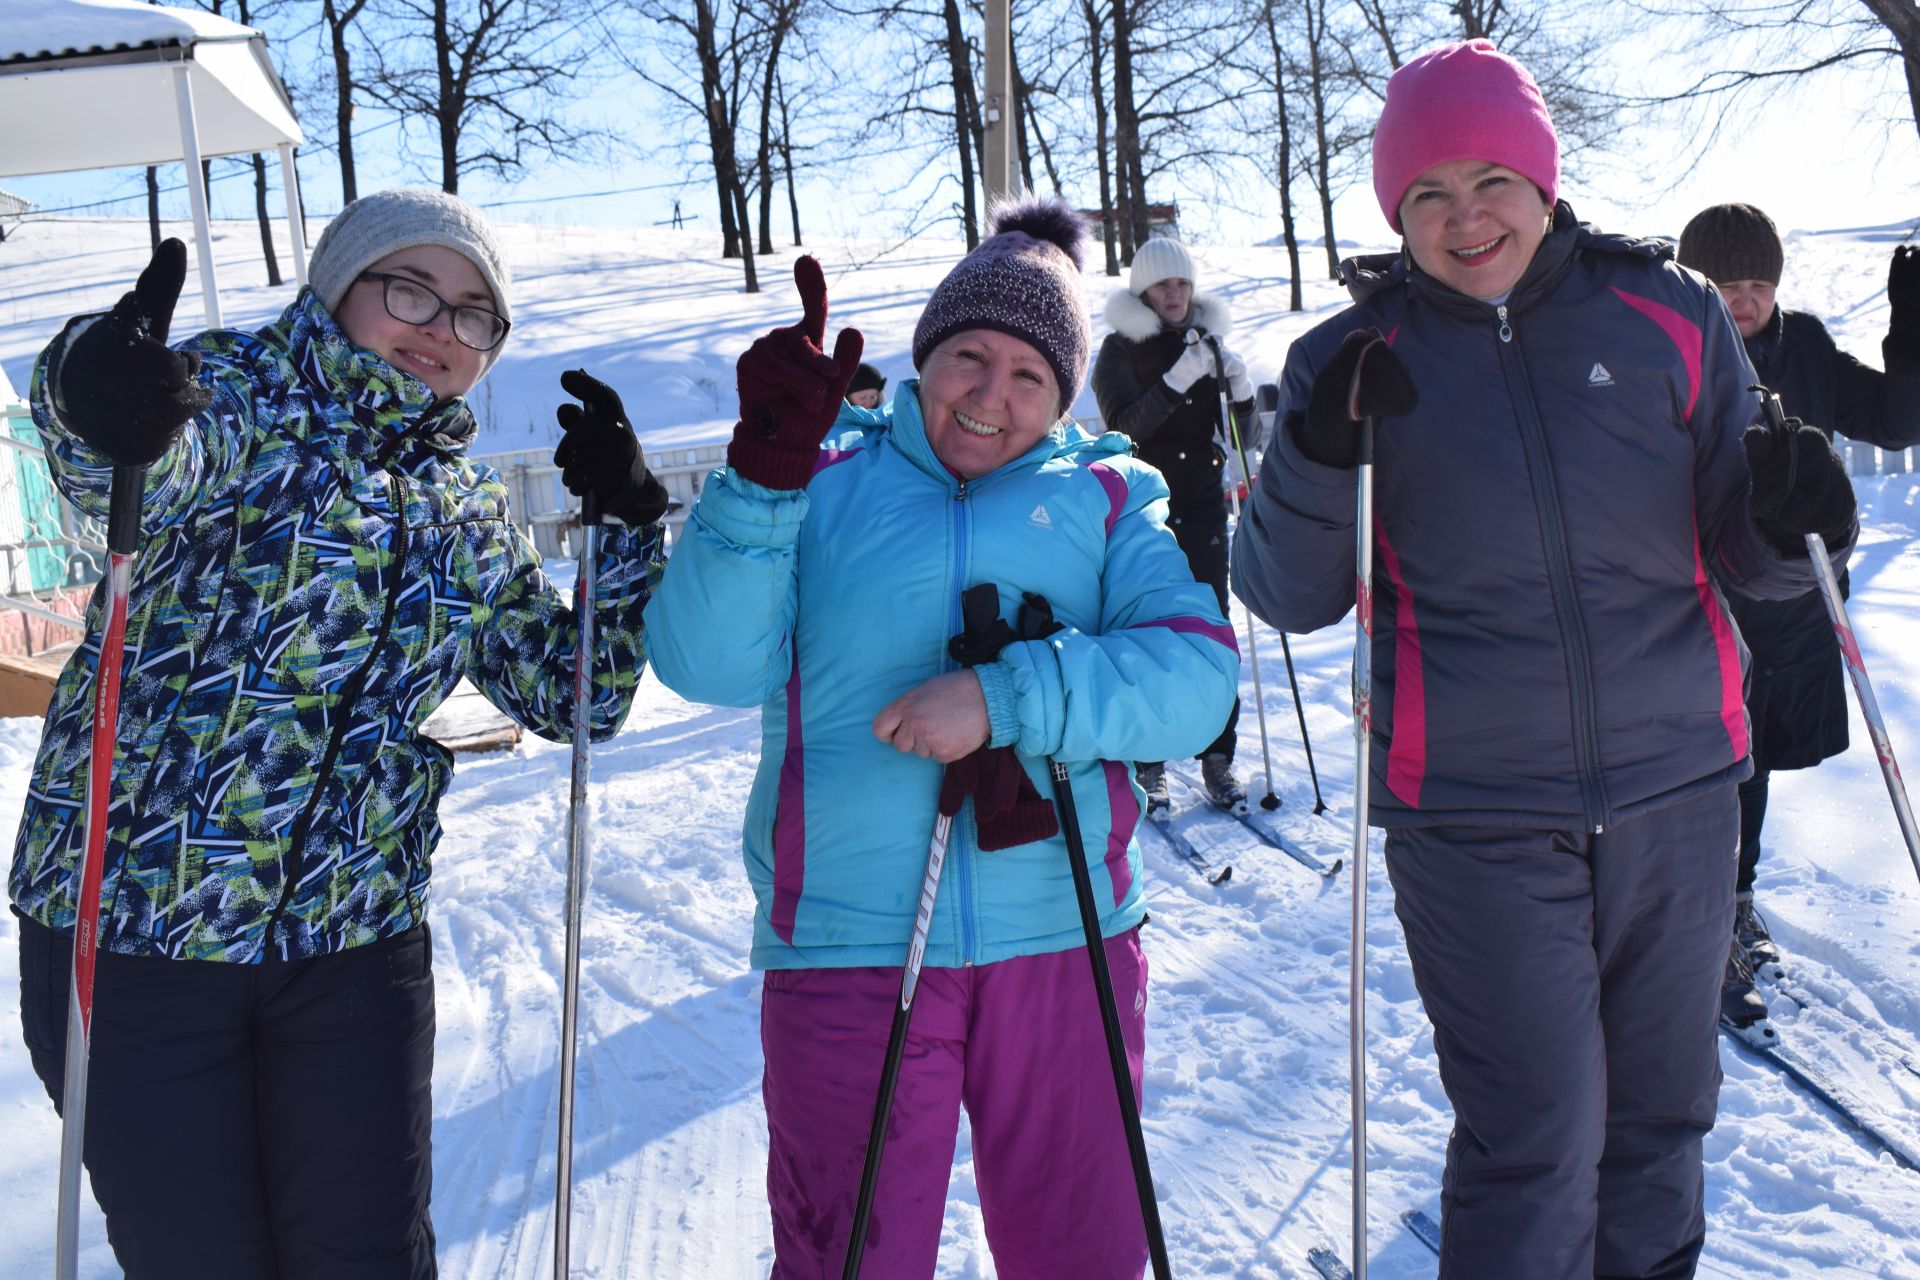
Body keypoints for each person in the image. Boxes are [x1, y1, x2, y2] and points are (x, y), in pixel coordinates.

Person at [1231, 42, 1858, 1280]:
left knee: (1662, 1123)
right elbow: (1285, 592)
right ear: (1394, 213)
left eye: (1490, 181)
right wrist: (1311, 453)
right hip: (1471, 810)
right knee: (1538, 1136)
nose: (1466, 217)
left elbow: (1751, 547)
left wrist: (1798, 519)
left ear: (1543, 179)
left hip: (1680, 787)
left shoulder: (1665, 311)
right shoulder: (1353, 362)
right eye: (1427, 195)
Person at [11, 188, 667, 1278]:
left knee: (365, 1258)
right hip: (135, 938)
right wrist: (92, 382)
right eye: (410, 289)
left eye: (474, 315)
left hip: (354, 950)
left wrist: (634, 531)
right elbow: (124, 461)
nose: (439, 329)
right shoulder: (227, 396)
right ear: (336, 287)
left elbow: (574, 695)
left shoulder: (462, 507)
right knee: (196, 1258)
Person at [645, 197, 1238, 1279]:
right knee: (846, 1258)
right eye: (970, 356)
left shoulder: (1105, 498)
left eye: (1029, 375)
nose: (991, 397)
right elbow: (704, 663)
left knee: (1082, 1258)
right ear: (926, 357)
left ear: (1063, 392)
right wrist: (759, 477)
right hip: (847, 944)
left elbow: (1197, 680)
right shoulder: (823, 481)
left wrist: (1007, 696)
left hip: (1068, 943)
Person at [1675, 204, 1920, 1027]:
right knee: (1711, 768)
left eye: (1757, 284)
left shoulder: (1804, 346)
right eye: (1723, 284)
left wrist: (1912, 335)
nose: (1742, 301)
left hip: (1794, 602)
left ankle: (1734, 904)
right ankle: (1702, 926)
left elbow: (1895, 420)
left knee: (1762, 760)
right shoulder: (1669, 352)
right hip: (1701, 602)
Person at [1092, 236, 1257, 815]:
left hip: (1206, 504)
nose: (1175, 293)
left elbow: (1246, 439)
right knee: (1151, 631)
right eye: (1164, 284)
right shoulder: (1119, 349)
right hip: (1146, 511)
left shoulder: (1206, 345)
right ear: (1143, 290)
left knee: (1213, 631)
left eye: (1183, 283)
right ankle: (1150, 761)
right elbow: (1122, 428)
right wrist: (1175, 381)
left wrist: (1240, 396)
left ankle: (1218, 757)